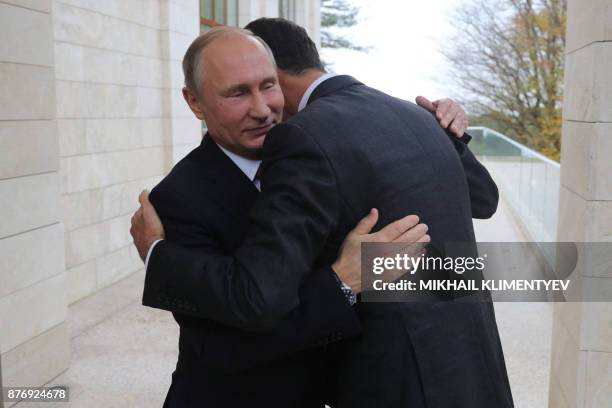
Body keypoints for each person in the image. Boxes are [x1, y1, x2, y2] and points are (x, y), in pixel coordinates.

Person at [131, 21, 512, 408]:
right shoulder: (177, 200)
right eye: (237, 94)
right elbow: (221, 345)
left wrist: (447, 132)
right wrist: (342, 281)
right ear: (194, 102)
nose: (263, 110)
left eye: (268, 85)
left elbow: (476, 199)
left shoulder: (317, 152)